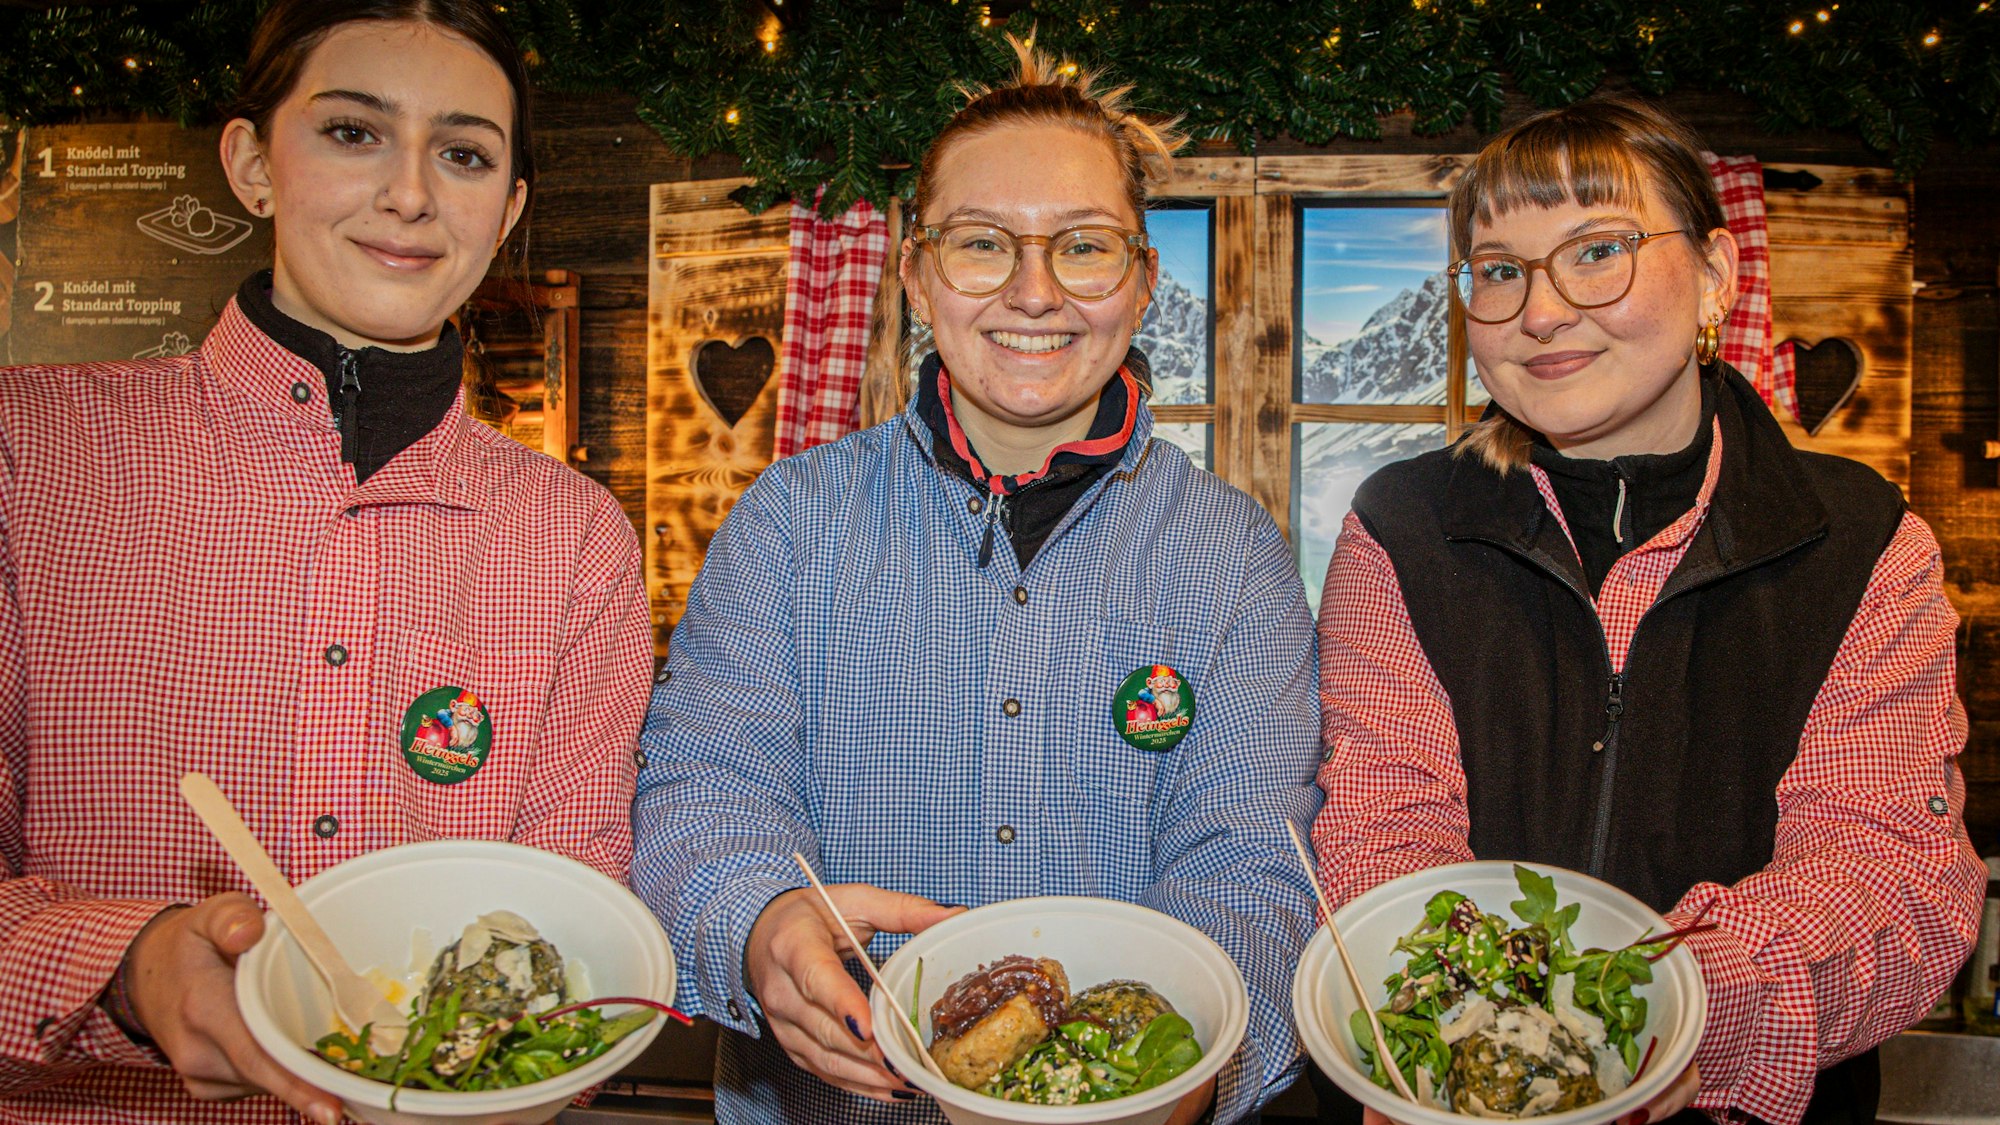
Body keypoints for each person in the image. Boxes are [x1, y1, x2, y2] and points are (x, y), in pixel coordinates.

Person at [633, 38, 1324, 1125]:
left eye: (1083, 247)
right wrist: (757, 922)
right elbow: (706, 786)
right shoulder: (790, 521)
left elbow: (1248, 859)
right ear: (914, 276)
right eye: (980, 245)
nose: (1034, 291)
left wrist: (1179, 1066)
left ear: (1140, 284)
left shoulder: (1232, 558)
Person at [0, 2, 652, 1121]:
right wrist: (121, 963)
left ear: (509, 210)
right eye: (352, 132)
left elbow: (571, 892)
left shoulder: (573, 533)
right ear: (253, 163)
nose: (409, 193)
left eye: (461, 154)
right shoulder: (31, 455)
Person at [1310, 96, 1983, 1125]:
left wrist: (1652, 1010)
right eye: (1498, 270)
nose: (1537, 311)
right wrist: (1480, 1042)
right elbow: (1386, 823)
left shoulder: (1861, 543)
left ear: (1713, 273)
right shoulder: (1400, 526)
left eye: (1595, 251)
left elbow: (1885, 867)